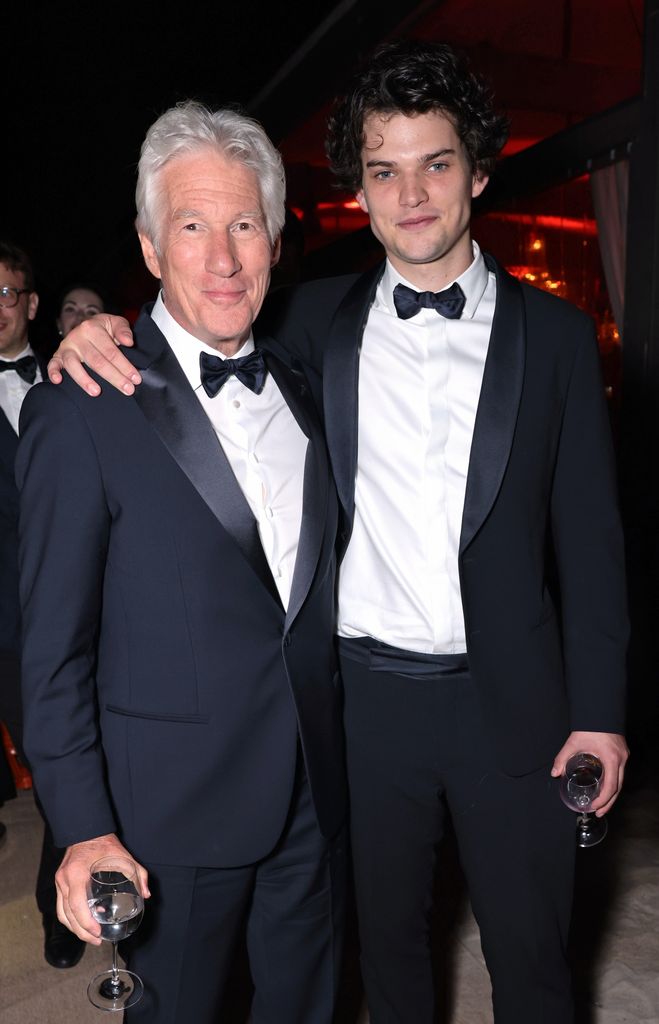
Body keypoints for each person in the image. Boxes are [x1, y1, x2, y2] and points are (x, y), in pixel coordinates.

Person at [47, 41, 629, 1024]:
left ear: (477, 172)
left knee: (533, 960)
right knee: (384, 956)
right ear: (356, 193)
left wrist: (600, 709)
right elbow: (195, 339)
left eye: (434, 163)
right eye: (382, 170)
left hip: (517, 706)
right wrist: (95, 329)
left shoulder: (559, 338)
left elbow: (590, 541)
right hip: (362, 709)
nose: (410, 194)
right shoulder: (315, 323)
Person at [18, 102, 345, 1024]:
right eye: (192, 227)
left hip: (314, 798)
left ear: (276, 241)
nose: (223, 258)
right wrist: (83, 827)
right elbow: (52, 654)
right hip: (169, 816)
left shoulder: (308, 389)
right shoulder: (82, 402)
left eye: (244, 225)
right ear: (151, 248)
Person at [0, 241, 86, 969]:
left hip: (94, 609)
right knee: (53, 765)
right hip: (8, 627)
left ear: (30, 304)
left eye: (6, 292)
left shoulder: (78, 373)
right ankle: (59, 906)